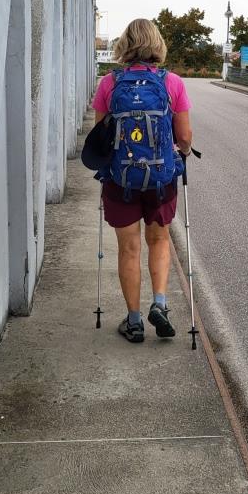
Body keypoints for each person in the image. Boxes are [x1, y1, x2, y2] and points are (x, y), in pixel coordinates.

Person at [92, 19, 193, 343]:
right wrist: (183, 152)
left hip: (121, 179)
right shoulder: (172, 83)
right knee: (159, 240)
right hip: (160, 178)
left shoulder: (109, 84)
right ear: (157, 44)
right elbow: (184, 137)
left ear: (124, 45)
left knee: (129, 248)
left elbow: (100, 137)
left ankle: (134, 321)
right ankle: (159, 303)